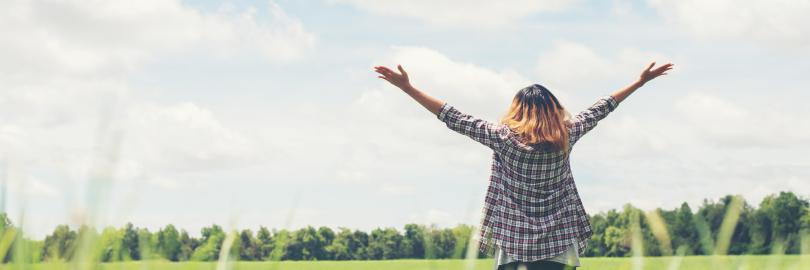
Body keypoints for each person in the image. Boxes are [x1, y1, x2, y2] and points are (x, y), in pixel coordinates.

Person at [374, 61, 673, 270]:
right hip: (559, 244)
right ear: (554, 110)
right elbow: (602, 107)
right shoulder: (566, 135)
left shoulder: (502, 138)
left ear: (517, 110)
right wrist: (640, 82)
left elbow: (453, 116)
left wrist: (407, 88)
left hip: (512, 244)